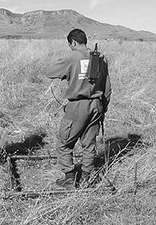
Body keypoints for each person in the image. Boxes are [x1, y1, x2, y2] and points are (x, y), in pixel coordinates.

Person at [46, 28, 111, 189]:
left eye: (70, 45)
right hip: (97, 104)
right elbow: (108, 88)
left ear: (73, 42)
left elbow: (49, 72)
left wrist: (68, 68)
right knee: (89, 144)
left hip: (77, 106)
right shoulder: (100, 57)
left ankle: (69, 178)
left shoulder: (71, 56)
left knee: (64, 143)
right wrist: (103, 108)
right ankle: (86, 178)